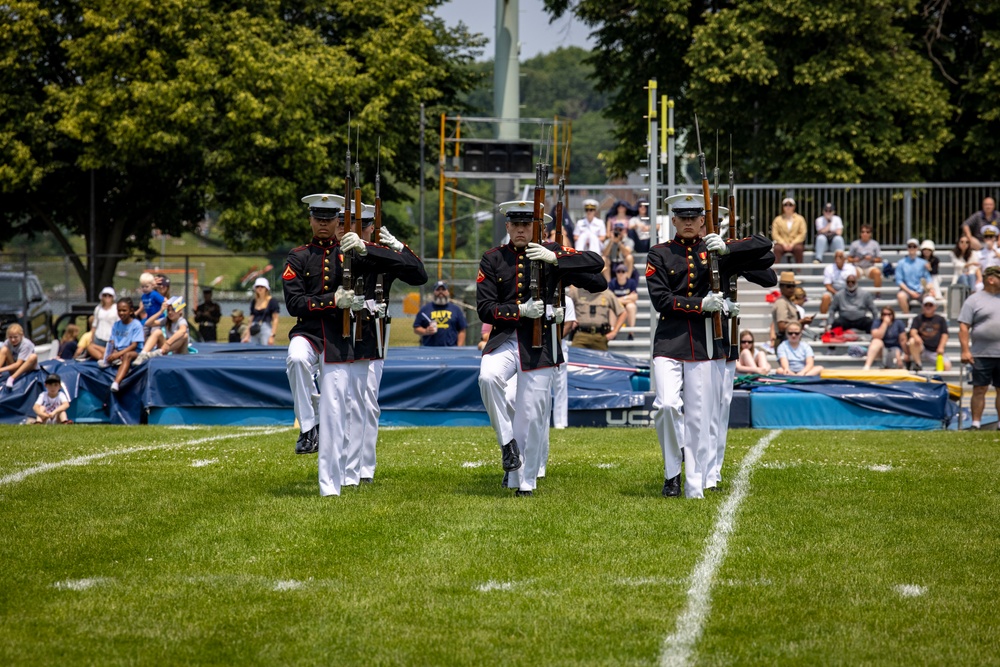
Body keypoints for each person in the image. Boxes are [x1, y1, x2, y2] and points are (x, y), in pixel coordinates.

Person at [282, 193, 414, 497]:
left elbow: (415, 273)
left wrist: (380, 246)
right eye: (320, 219)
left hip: (342, 340)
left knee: (336, 409)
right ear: (312, 220)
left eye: (331, 220)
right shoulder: (299, 256)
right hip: (311, 332)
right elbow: (294, 303)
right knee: (296, 360)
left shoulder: (355, 254)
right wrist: (332, 301)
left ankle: (330, 487)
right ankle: (307, 426)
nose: (325, 224)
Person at [646, 192, 773, 499]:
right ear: (673, 220)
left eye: (694, 218)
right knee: (665, 405)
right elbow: (660, 300)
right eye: (683, 218)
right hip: (670, 340)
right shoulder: (659, 253)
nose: (689, 223)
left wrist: (729, 246)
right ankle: (672, 469)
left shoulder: (715, 250)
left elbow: (765, 248)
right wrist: (701, 304)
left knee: (700, 416)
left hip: (703, 345)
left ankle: (693, 484)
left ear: (703, 221)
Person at [478, 200, 605, 497]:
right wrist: (520, 310)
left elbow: (597, 273)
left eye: (528, 224)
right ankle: (508, 443)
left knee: (533, 413)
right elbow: (485, 308)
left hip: (540, 343)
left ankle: (526, 481)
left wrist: (556, 258)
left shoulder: (552, 255)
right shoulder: (493, 259)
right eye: (516, 224)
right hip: (507, 338)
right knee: (488, 377)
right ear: (507, 226)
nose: (522, 229)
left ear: (539, 228)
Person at [959, 265, 1000, 429]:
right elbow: (964, 327)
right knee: (979, 388)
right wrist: (965, 350)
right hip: (981, 353)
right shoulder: (974, 300)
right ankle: (976, 424)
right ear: (991, 279)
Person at [100, 297, 144, 393]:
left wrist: (118, 354)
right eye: (119, 310)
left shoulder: (136, 325)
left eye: (124, 310)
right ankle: (108, 361)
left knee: (127, 355)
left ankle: (116, 382)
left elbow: (134, 345)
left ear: (131, 311)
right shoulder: (116, 325)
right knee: (91, 346)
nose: (121, 313)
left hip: (133, 352)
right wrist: (112, 351)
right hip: (118, 352)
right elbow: (112, 341)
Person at [566, 285, 626, 351]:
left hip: (600, 336)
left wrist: (614, 332)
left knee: (601, 360)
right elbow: (564, 308)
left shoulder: (607, 294)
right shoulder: (575, 292)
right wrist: (571, 319)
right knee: (576, 359)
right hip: (581, 335)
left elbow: (623, 313)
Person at [134, 296, 189, 365]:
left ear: (180, 311)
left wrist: (167, 343)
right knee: (157, 332)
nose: (170, 312)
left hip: (179, 352)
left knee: (184, 336)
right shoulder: (166, 320)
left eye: (173, 310)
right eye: (168, 310)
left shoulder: (181, 321)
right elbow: (148, 323)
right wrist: (160, 311)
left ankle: (159, 352)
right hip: (167, 349)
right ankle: (143, 355)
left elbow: (182, 331)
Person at [905, 295, 951, 371]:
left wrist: (941, 347)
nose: (928, 307)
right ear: (923, 306)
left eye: (930, 305)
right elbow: (913, 331)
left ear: (935, 307)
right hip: (921, 349)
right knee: (912, 341)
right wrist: (916, 337)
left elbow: (944, 334)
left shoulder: (940, 319)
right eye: (926, 305)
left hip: (934, 350)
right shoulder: (918, 319)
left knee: (947, 366)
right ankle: (918, 364)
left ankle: (934, 376)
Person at [413, 280, 467, 346]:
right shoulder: (425, 309)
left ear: (448, 292)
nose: (440, 292)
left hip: (451, 350)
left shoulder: (456, 309)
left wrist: (459, 348)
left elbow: (462, 330)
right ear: (434, 292)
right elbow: (416, 328)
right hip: (429, 350)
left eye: (443, 289)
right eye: (438, 290)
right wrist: (425, 331)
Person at [771, 271, 812, 347]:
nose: (792, 289)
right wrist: (801, 321)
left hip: (790, 339)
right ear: (781, 287)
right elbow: (781, 327)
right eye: (788, 286)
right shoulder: (781, 303)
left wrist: (802, 322)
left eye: (793, 286)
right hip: (784, 340)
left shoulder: (788, 302)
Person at [896, 238, 934, 314]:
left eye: (914, 246)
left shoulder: (923, 263)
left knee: (930, 297)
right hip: (907, 290)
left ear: (917, 248)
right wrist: (910, 292)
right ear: (907, 248)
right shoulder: (901, 263)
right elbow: (899, 281)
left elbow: (928, 278)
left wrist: (929, 287)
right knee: (901, 296)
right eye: (910, 246)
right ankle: (907, 316)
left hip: (921, 290)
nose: (912, 248)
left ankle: (925, 319)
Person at [84, 286, 120, 361]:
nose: (107, 297)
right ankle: (102, 360)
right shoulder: (98, 308)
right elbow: (94, 325)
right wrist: (92, 338)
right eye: (105, 295)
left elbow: (119, 324)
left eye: (110, 295)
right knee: (90, 348)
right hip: (99, 338)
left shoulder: (116, 308)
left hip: (111, 339)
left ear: (113, 297)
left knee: (110, 354)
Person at [0, 324, 39, 390]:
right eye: (10, 337)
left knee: (33, 357)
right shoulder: (7, 342)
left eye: (15, 337)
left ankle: (12, 378)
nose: (13, 340)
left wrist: (2, 369)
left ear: (21, 335)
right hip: (15, 369)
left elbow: (18, 364)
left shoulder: (26, 345)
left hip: (27, 370)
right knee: (4, 349)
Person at [846, 224, 884, 290]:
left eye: (867, 232)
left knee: (877, 273)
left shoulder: (875, 244)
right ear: (860, 233)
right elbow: (849, 258)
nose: (865, 233)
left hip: (869, 267)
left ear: (870, 234)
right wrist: (854, 260)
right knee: (852, 274)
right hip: (858, 267)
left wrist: (871, 259)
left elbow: (879, 259)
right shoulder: (854, 244)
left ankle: (878, 295)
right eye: (862, 232)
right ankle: (851, 292)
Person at [819, 249, 858, 314]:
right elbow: (827, 285)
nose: (837, 259)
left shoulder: (851, 268)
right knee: (825, 297)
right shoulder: (829, 268)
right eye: (836, 257)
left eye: (840, 257)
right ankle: (824, 320)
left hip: (847, 291)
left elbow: (853, 284)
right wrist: (836, 293)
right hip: (833, 291)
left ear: (844, 259)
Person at [771, 197, 807, 263]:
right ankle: (775, 271)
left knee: (799, 249)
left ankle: (799, 271)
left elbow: (802, 233)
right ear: (783, 207)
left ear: (794, 207)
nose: (788, 207)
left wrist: (793, 243)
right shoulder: (777, 219)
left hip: (796, 243)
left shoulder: (800, 219)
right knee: (777, 249)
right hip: (782, 243)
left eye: (790, 205)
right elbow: (775, 234)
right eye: (786, 205)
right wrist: (783, 243)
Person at [247, 276, 280, 345]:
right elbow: (251, 318)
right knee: (253, 349)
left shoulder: (272, 301)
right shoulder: (254, 301)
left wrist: (272, 335)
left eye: (262, 286)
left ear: (266, 288)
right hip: (254, 328)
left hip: (266, 327)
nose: (259, 288)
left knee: (265, 350)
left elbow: (275, 319)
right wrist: (247, 334)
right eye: (257, 286)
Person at [608, 262, 639, 333]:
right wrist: (628, 298)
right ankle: (612, 332)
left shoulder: (632, 282)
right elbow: (610, 299)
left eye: (623, 271)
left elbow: (635, 297)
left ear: (626, 273)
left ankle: (631, 332)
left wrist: (619, 299)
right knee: (611, 309)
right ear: (616, 273)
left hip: (626, 305)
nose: (621, 273)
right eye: (618, 271)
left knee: (631, 306)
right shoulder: (612, 283)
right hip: (617, 305)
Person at [136, 273, 164, 338]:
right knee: (143, 331)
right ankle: (144, 346)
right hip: (149, 318)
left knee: (154, 332)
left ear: (152, 286)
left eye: (147, 287)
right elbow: (143, 307)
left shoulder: (154, 294)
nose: (145, 289)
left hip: (158, 318)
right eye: (143, 287)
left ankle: (153, 346)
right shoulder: (143, 296)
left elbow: (163, 301)